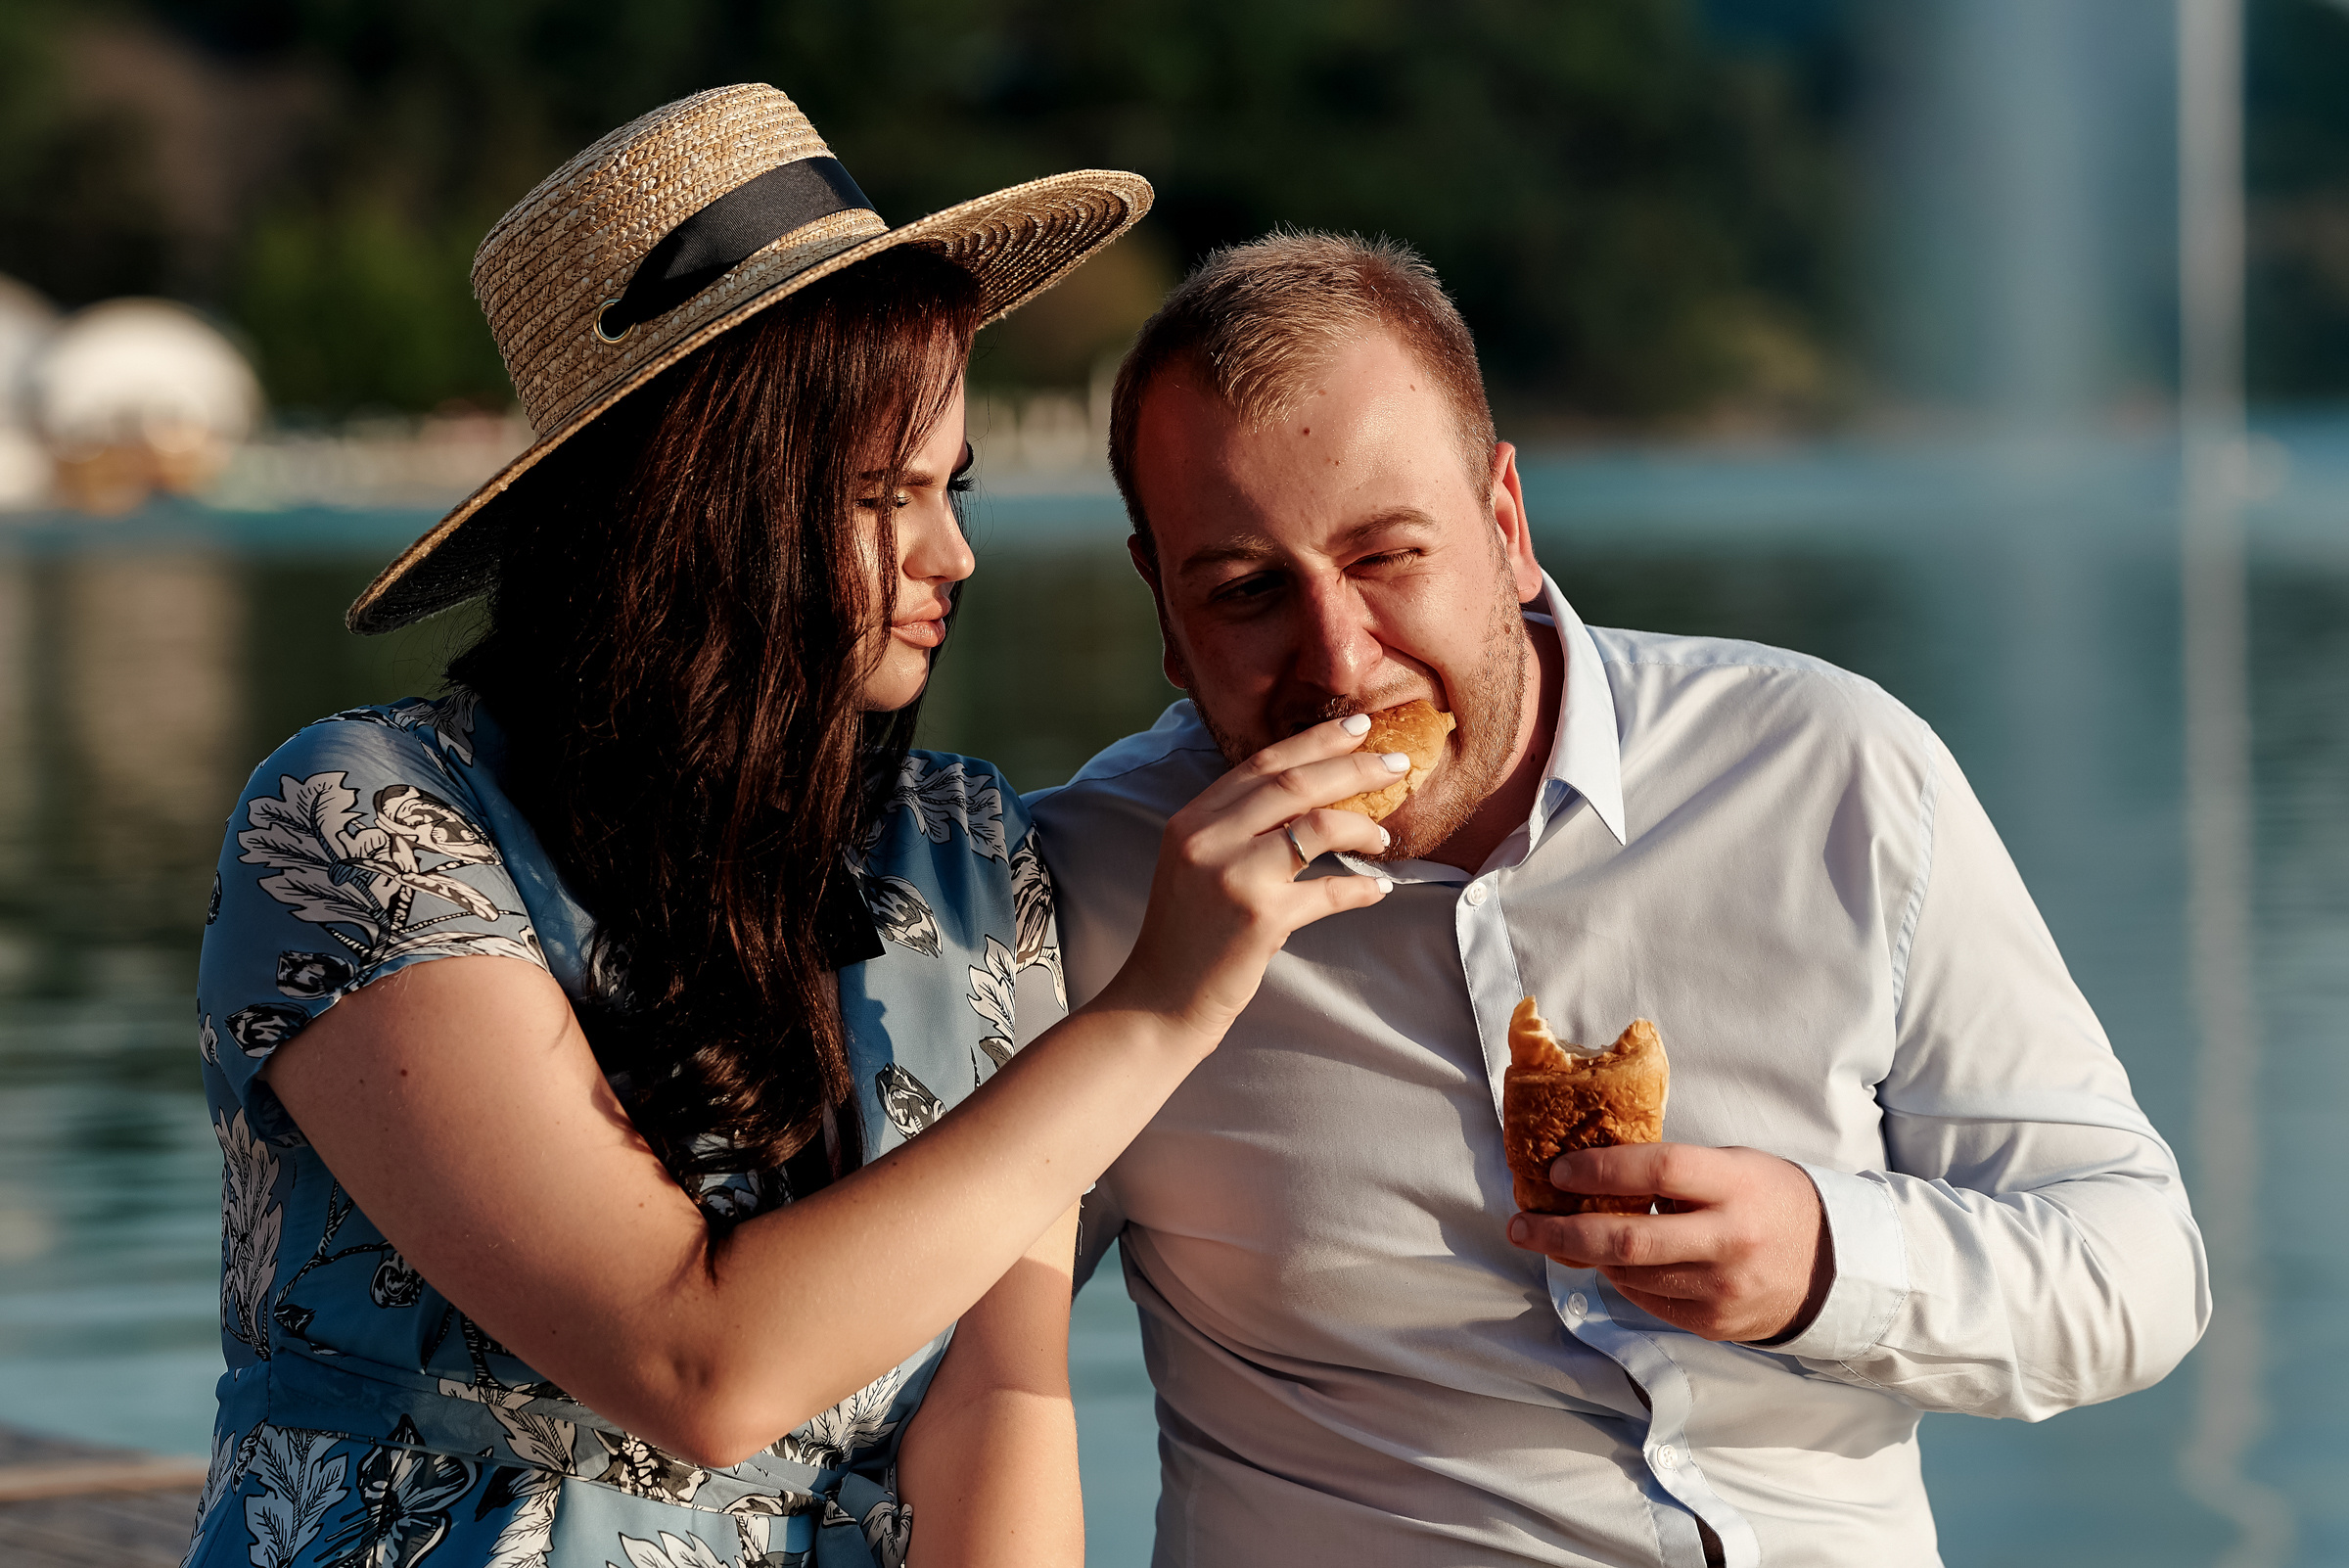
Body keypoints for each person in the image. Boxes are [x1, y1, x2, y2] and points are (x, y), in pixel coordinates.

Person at [184, 89, 1412, 1568]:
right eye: (884, 495)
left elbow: (999, 1393)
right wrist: (1159, 1008)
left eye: (952, 487)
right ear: (697, 500)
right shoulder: (362, 821)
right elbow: (691, 1364)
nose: (954, 552)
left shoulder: (962, 851)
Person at [1032, 231, 2210, 1567]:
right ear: (1164, 610)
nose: (1341, 663)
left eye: (1388, 556)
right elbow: (936, 1350)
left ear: (1505, 524)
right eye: (1247, 590)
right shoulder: (1091, 886)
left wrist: (1826, 1263)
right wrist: (1147, 1013)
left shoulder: (1829, 769)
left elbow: (2140, 1269)